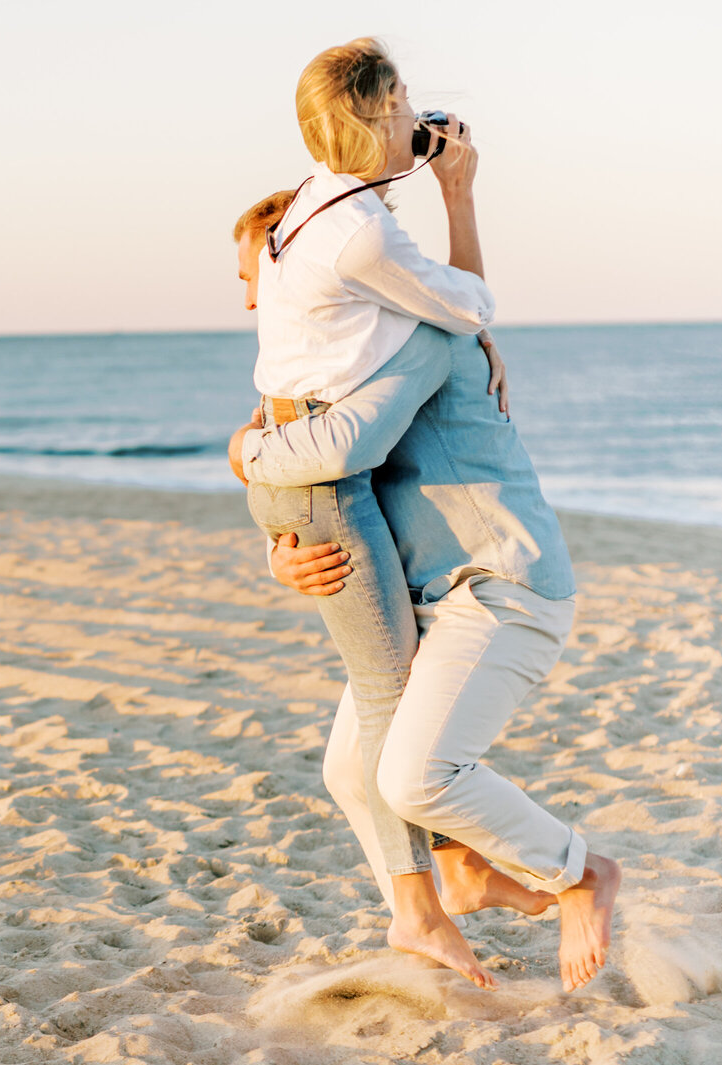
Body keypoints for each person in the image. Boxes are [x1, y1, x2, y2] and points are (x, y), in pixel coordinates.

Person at [232, 39, 619, 992]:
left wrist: (240, 456)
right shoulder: (374, 339)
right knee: (348, 770)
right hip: (433, 589)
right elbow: (323, 447)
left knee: (410, 777)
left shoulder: (423, 342)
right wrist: (285, 547)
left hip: (505, 585)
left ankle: (580, 872)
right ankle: (452, 876)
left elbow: (332, 451)